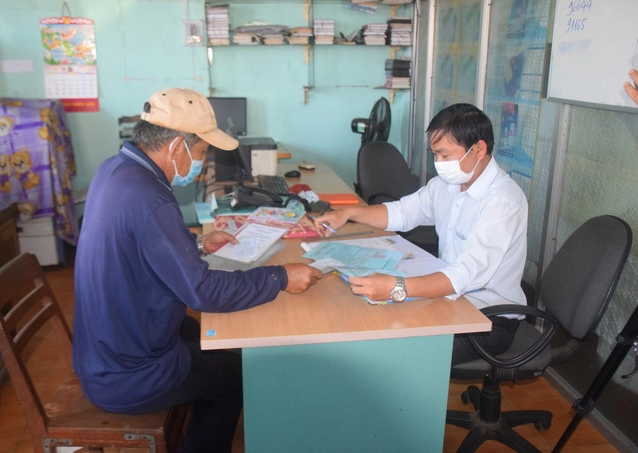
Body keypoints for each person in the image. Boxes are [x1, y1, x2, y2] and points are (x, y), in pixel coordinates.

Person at [72, 87, 322, 453]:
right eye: (202, 152)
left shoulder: (115, 170)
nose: (202, 163)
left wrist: (198, 244)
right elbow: (202, 291)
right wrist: (280, 277)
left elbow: (137, 246)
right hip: (129, 374)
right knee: (236, 378)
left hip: (109, 346)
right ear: (176, 146)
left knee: (214, 341)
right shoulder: (151, 198)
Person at [314, 103, 528, 366]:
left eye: (445, 155)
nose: (438, 163)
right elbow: (402, 213)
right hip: (450, 301)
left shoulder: (502, 202)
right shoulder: (447, 185)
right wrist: (347, 214)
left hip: (487, 320)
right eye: (435, 154)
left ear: (479, 149)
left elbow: (464, 274)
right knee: (368, 323)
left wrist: (397, 288)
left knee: (392, 352)